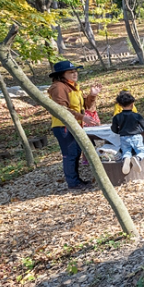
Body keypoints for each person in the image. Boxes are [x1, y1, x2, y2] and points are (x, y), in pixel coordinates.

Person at [47, 60, 101, 190]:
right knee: (70, 154)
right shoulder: (59, 87)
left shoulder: (73, 86)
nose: (75, 74)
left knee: (76, 153)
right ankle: (73, 183)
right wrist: (83, 117)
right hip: (63, 126)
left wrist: (92, 95)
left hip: (75, 125)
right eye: (71, 72)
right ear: (61, 74)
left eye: (75, 71)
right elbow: (61, 109)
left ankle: (76, 181)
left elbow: (86, 106)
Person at [111, 91, 144, 174]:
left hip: (123, 137)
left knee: (126, 151)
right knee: (141, 151)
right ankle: (137, 158)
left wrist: (119, 131)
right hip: (136, 136)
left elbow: (114, 129)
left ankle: (126, 159)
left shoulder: (117, 117)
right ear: (132, 104)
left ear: (120, 105)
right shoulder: (137, 116)